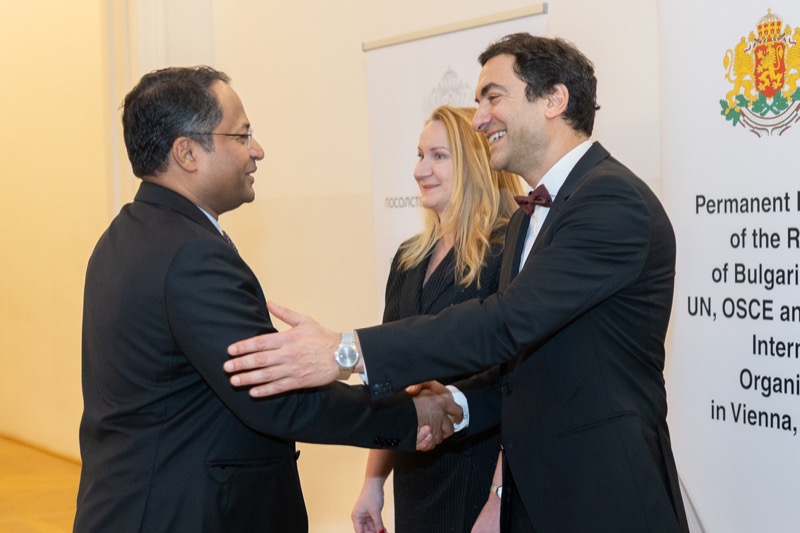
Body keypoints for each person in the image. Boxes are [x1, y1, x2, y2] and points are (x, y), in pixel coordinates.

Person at [224, 33, 690, 533]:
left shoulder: (610, 200)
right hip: (536, 501)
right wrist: (456, 406)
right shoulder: (527, 219)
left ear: (554, 99)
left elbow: (505, 324)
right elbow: (522, 371)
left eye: (493, 97)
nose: (480, 118)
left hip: (605, 497)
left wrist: (346, 351)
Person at [74, 66, 461, 533]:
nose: (257, 150)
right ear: (187, 152)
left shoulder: (125, 235)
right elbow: (272, 395)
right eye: (242, 136)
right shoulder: (191, 253)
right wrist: (409, 415)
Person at [351, 106, 522, 533]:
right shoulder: (408, 259)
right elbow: (389, 382)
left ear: (475, 166)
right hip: (415, 474)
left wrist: (499, 497)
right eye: (419, 155)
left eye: (438, 156)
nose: (419, 170)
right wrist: (373, 481)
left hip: (480, 472)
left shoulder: (506, 252)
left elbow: (518, 389)